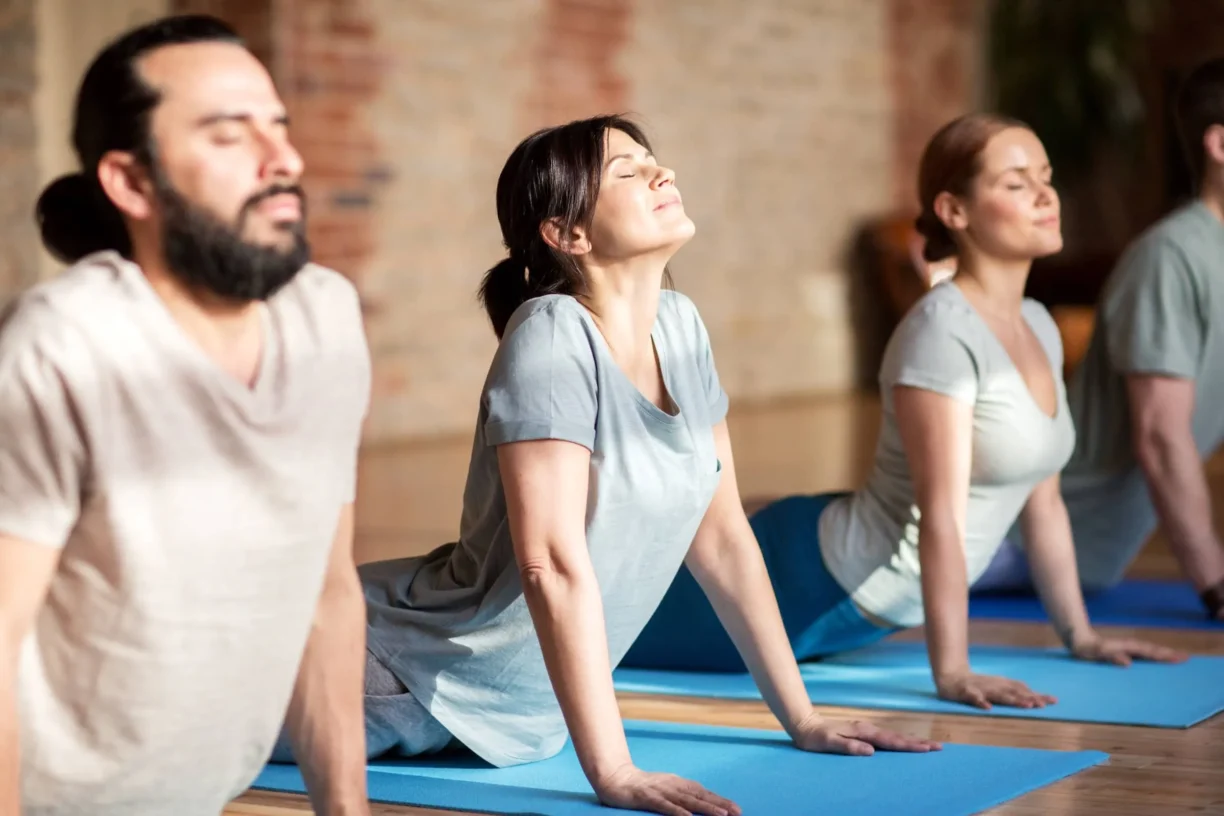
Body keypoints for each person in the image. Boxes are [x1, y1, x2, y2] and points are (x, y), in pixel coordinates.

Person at [357, 115, 940, 816]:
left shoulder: (680, 325)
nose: (662, 173)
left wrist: (804, 718)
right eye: (627, 172)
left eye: (653, 160)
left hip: (494, 706)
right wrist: (614, 771)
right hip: (399, 668)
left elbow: (722, 537)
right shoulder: (551, 338)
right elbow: (551, 564)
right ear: (566, 234)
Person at [624, 114, 1184, 710]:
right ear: (954, 210)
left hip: (862, 603)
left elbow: (1042, 503)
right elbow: (940, 515)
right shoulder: (941, 333)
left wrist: (1081, 635)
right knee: (603, 632)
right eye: (1017, 183)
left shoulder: (1040, 325)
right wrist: (954, 672)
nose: (1046, 195)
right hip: (813, 582)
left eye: (1045, 177)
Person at [3, 15, 371, 816]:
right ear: (132, 184)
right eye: (228, 136)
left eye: (278, 125)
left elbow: (328, 593)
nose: (285, 161)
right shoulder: (64, 343)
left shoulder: (327, 319)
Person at [976, 58, 1224, 620]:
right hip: (1010, 537)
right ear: (1219, 145)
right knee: (817, 557)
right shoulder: (1173, 256)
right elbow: (1161, 436)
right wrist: (1215, 583)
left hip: (1080, 556)